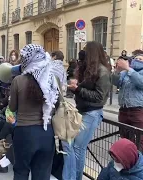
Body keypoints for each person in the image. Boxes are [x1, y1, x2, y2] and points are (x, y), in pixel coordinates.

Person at [9, 44, 58, 180]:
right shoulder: (51, 80)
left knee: (21, 171)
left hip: (24, 133)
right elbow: (57, 104)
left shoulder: (18, 80)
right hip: (47, 132)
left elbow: (12, 108)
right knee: (42, 174)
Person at [64, 41, 111, 180]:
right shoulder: (87, 69)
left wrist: (78, 89)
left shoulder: (102, 71)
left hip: (92, 112)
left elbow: (99, 97)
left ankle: (76, 177)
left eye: (86, 50)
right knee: (72, 146)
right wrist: (76, 85)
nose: (83, 52)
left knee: (78, 148)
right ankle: (71, 175)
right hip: (82, 110)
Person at [112, 54, 143, 149]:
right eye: (136, 58)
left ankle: (139, 160)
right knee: (125, 138)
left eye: (140, 59)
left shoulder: (133, 71)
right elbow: (115, 82)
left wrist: (129, 69)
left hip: (137, 110)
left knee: (140, 139)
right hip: (124, 110)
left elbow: (141, 83)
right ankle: (128, 157)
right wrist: (117, 71)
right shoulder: (125, 72)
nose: (137, 60)